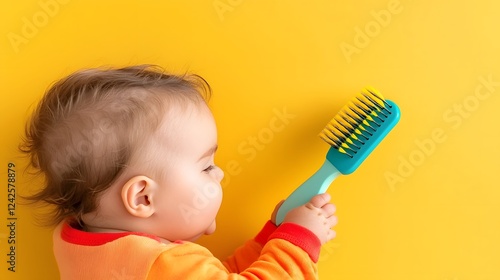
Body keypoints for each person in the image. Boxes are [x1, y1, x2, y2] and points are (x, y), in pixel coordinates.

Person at [21, 65, 338, 279]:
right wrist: (299, 240)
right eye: (206, 166)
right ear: (144, 197)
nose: (220, 174)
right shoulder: (159, 263)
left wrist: (271, 237)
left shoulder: (75, 243)